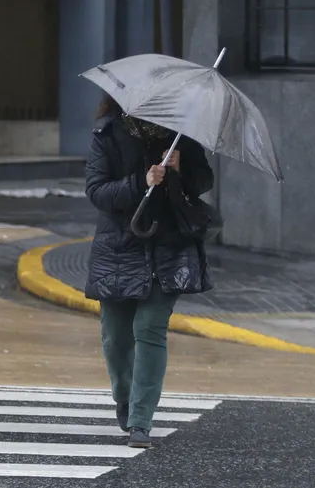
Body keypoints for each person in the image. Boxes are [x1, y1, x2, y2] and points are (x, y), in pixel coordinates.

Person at [84, 95, 214, 449]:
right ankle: (124, 398)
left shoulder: (181, 133)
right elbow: (96, 191)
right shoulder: (107, 134)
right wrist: (140, 183)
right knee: (115, 338)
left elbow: (203, 182)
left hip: (170, 247)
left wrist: (181, 168)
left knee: (149, 329)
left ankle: (141, 420)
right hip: (119, 247)